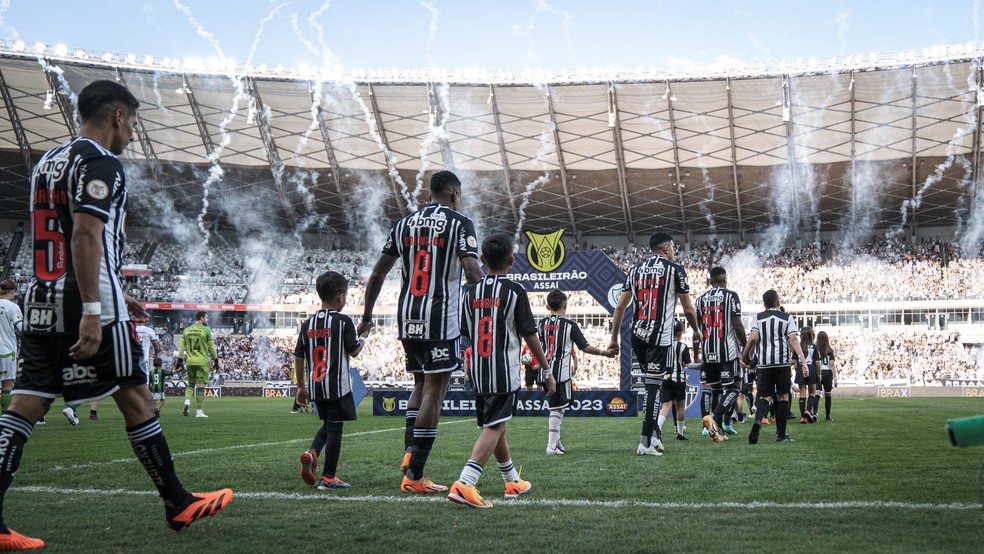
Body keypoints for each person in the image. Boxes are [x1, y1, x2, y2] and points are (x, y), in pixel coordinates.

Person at [0, 80, 231, 549]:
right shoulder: (100, 162)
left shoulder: (47, 161)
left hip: (42, 298)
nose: (132, 134)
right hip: (89, 304)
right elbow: (85, 235)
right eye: (134, 123)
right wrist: (94, 307)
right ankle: (177, 501)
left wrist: (114, 293)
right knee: (137, 399)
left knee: (25, 406)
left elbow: (65, 237)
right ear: (119, 117)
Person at [359, 170, 484, 494]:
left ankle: (409, 450)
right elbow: (471, 270)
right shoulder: (459, 222)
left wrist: (367, 317)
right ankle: (414, 474)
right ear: (455, 195)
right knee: (435, 392)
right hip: (441, 318)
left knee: (419, 383)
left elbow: (376, 275)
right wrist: (490, 299)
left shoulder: (403, 225)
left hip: (408, 316)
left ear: (430, 194)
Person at [448, 234, 556, 508]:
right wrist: (546, 369)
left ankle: (511, 481)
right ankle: (465, 483)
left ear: (482, 260)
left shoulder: (468, 292)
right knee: (495, 426)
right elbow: (530, 334)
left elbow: (466, 333)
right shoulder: (515, 290)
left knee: (497, 424)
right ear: (512, 261)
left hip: (479, 370)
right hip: (503, 370)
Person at [609, 232, 700, 456]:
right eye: (674, 248)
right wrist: (697, 331)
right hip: (659, 337)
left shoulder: (635, 270)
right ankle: (645, 442)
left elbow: (620, 308)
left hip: (637, 335)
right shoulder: (676, 270)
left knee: (652, 386)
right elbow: (688, 308)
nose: (675, 252)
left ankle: (655, 437)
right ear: (666, 249)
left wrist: (613, 338)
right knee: (653, 387)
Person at [294, 271, 368, 490]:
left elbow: (298, 356)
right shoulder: (343, 321)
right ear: (340, 296)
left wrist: (301, 387)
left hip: (316, 387)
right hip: (337, 385)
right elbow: (354, 351)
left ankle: (312, 453)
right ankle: (328, 477)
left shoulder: (307, 323)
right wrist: (363, 336)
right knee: (336, 429)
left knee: (329, 424)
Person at [538, 289, 614, 455]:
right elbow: (585, 347)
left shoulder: (541, 324)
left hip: (545, 371)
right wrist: (605, 353)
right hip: (561, 372)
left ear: (547, 306)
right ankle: (551, 446)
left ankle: (556, 442)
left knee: (559, 406)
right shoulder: (569, 325)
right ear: (565, 306)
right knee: (556, 409)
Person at [742, 290, 809, 444]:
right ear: (778, 302)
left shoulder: (758, 317)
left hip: (764, 364)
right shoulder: (787, 317)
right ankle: (781, 434)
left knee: (765, 396)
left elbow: (753, 338)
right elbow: (793, 339)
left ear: (764, 304)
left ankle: (758, 421)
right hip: (782, 363)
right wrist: (803, 361)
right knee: (783, 396)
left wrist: (744, 353)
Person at [694, 267, 747, 440]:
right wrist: (745, 348)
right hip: (727, 351)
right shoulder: (731, 296)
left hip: (708, 351)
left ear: (710, 281)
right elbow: (738, 326)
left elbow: (696, 331)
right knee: (734, 388)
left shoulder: (700, 300)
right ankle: (714, 419)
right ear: (725, 280)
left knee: (716, 390)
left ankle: (719, 431)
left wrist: (697, 355)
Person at [654, 320, 692, 445]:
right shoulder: (683, 346)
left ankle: (657, 428)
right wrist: (702, 365)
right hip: (679, 379)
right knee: (680, 407)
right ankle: (680, 433)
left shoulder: (664, 346)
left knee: (666, 406)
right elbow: (689, 364)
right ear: (681, 332)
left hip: (665, 378)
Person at [176, 311, 220, 418]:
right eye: (206, 317)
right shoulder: (206, 330)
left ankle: (187, 401)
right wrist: (216, 360)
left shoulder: (186, 330)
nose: (208, 319)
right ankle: (199, 411)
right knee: (200, 387)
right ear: (201, 318)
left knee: (190, 384)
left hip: (190, 362)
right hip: (202, 362)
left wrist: (179, 360)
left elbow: (181, 347)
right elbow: (211, 347)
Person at [795, 326, 820, 424]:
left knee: (802, 393)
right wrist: (819, 373)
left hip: (801, 369)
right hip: (811, 368)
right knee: (812, 393)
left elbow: (793, 359)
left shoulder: (798, 346)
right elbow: (817, 362)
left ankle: (802, 417)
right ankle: (808, 411)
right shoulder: (814, 346)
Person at [816, 330, 837, 421]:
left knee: (816, 393)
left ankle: (814, 413)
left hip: (818, 372)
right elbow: (832, 364)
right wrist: (835, 377)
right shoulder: (830, 350)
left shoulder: (815, 349)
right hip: (828, 372)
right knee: (828, 394)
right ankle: (828, 416)